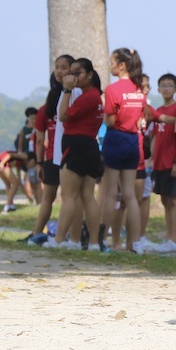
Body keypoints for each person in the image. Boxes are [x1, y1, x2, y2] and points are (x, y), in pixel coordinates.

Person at [42, 58, 104, 251]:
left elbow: (63, 116)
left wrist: (67, 90)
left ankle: (58, 240)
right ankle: (92, 242)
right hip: (89, 146)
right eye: (72, 72)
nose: (73, 76)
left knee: (69, 196)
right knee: (87, 195)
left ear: (90, 75)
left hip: (77, 145)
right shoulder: (94, 95)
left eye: (78, 73)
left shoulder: (88, 95)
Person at [24, 56, 83, 245]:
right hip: (54, 157)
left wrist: (40, 162)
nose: (59, 71)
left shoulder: (75, 98)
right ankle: (42, 234)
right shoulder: (45, 109)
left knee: (63, 198)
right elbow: (40, 139)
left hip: (69, 154)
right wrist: (40, 162)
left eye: (64, 68)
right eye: (57, 68)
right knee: (64, 197)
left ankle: (67, 237)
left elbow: (41, 138)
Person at [99, 48, 147, 254]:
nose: (110, 66)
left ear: (122, 66)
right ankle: (135, 243)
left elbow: (109, 120)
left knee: (110, 194)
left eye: (112, 62)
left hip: (115, 139)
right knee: (130, 195)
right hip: (132, 141)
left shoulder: (112, 90)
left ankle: (101, 239)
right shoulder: (139, 89)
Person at [148, 73, 176, 253]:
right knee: (164, 200)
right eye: (163, 85)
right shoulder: (159, 111)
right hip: (159, 163)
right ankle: (168, 236)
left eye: (170, 85)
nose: (166, 88)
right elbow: (155, 136)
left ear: (175, 89)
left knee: (174, 199)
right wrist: (152, 159)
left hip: (172, 161)